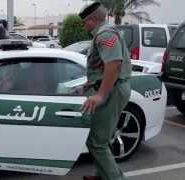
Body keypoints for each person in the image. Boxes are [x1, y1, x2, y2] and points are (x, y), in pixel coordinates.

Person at [78, 2, 132, 180]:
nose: (83, 25)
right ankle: (102, 174)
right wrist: (90, 84)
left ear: (93, 20)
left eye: (84, 22)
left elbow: (114, 64)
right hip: (112, 88)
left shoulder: (105, 34)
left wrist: (100, 94)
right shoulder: (103, 33)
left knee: (96, 142)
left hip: (112, 91)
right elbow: (103, 66)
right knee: (102, 138)